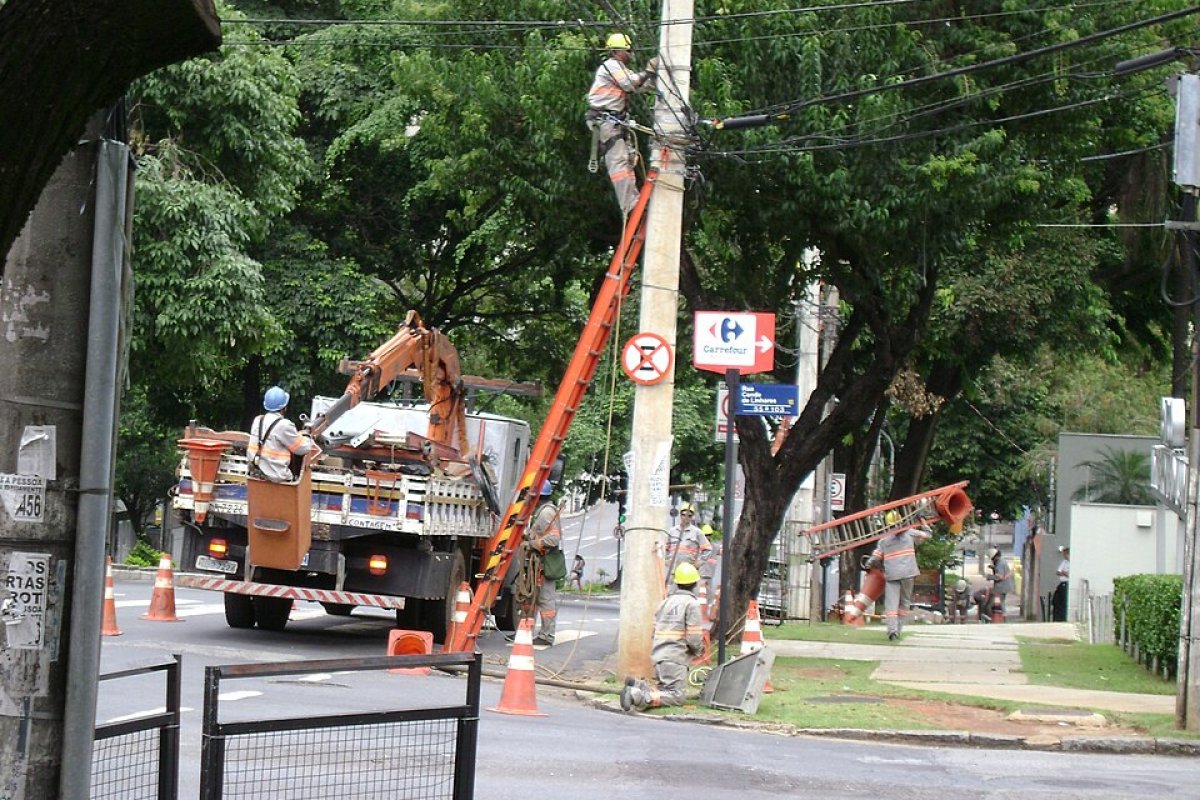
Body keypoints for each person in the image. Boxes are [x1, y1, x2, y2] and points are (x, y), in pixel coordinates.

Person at [585, 32, 658, 217]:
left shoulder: (621, 69)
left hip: (614, 121)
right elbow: (629, 84)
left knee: (627, 160)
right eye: (628, 50)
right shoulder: (611, 66)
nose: (631, 54)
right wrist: (648, 71)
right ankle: (630, 205)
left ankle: (633, 202)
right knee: (618, 162)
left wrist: (654, 77)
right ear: (617, 51)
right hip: (606, 121)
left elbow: (639, 86)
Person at [620, 562, 706, 712]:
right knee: (677, 696)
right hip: (675, 657)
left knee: (665, 688)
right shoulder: (692, 604)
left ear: (677, 583)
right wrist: (699, 650)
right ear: (695, 584)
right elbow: (694, 638)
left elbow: (654, 630)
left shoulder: (666, 602)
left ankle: (638, 685)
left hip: (659, 654)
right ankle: (638, 696)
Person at [865, 511, 931, 640]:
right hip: (908, 574)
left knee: (891, 604)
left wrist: (868, 563)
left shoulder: (884, 540)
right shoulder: (910, 533)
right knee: (904, 603)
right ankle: (898, 630)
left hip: (892, 575)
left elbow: (876, 557)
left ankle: (892, 631)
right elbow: (928, 535)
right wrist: (922, 520)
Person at [515, 481, 561, 646]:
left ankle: (547, 635)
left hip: (543, 562)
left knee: (545, 600)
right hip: (539, 562)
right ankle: (528, 631)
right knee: (533, 598)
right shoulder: (544, 511)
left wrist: (531, 544)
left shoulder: (546, 513)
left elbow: (553, 539)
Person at [247, 386, 316, 483]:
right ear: (284, 407)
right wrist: (307, 435)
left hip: (256, 474)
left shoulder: (258, 420)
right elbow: (302, 449)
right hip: (277, 477)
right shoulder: (284, 425)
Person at [664, 503, 712, 585]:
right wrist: (667, 560)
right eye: (684, 515)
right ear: (680, 515)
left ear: (692, 517)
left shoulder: (697, 532)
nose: (686, 518)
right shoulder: (672, 531)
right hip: (673, 571)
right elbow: (666, 548)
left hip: (689, 572)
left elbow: (708, 549)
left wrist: (699, 562)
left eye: (689, 516)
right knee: (671, 591)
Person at [982, 546, 1014, 622]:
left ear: (995, 557)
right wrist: (993, 568)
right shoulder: (1002, 561)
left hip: (1001, 586)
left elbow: (999, 577)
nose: (992, 560)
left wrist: (989, 577)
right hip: (1005, 585)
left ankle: (995, 617)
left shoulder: (1000, 563)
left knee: (993, 603)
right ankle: (1002, 617)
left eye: (992, 559)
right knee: (1001, 602)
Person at [1052, 546, 1070, 622]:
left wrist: (1064, 573)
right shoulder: (1064, 562)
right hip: (1062, 583)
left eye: (1065, 554)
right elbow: (1058, 572)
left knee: (1064, 601)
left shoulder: (1072, 563)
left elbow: (1069, 575)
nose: (1064, 556)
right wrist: (1064, 573)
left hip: (1067, 584)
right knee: (1057, 600)